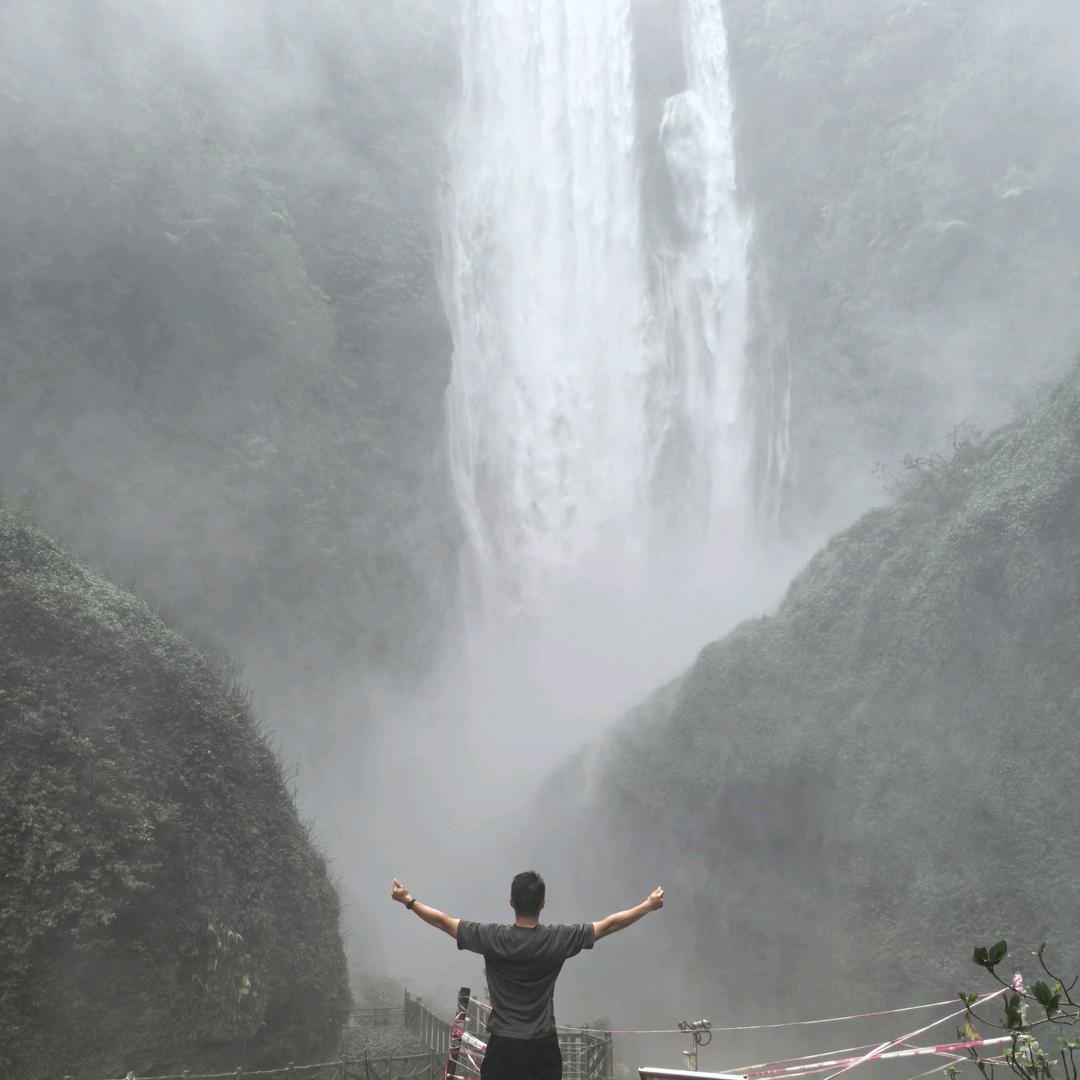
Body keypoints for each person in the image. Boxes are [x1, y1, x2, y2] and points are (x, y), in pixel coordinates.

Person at [390, 871, 664, 1080]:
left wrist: (408, 901)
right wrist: (647, 905)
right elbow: (607, 926)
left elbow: (443, 921)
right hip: (542, 1049)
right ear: (543, 903)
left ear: (511, 902)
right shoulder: (558, 939)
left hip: (503, 1049)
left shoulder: (491, 937)